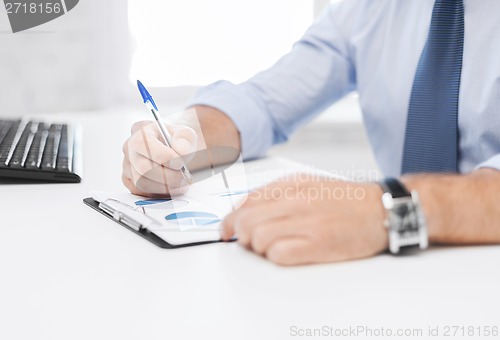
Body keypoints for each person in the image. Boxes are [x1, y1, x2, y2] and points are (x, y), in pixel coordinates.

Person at [122, 0, 500, 265]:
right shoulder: (369, 9)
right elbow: (263, 103)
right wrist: (179, 139)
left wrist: (388, 209)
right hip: (403, 275)